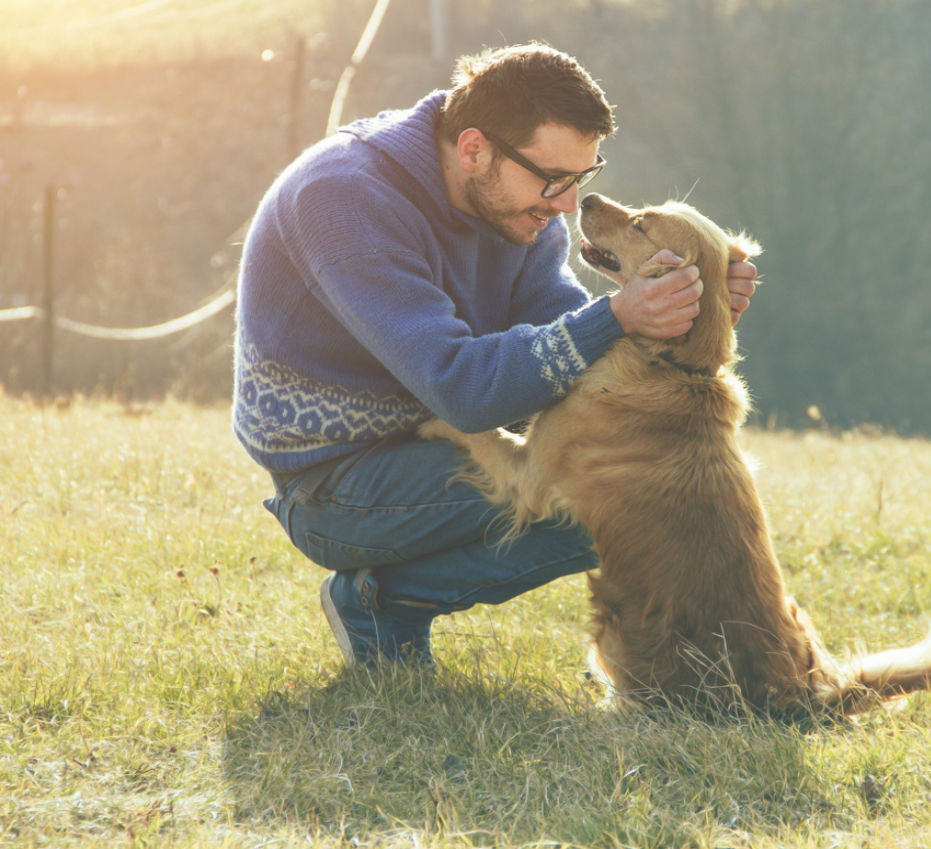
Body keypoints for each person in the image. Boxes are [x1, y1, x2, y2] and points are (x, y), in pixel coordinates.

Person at [232, 43, 758, 668]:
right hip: (333, 485)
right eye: (553, 180)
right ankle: (381, 604)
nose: (567, 204)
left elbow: (555, 333)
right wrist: (617, 316)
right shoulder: (343, 201)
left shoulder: (518, 210)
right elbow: (463, 390)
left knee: (641, 486)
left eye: (580, 179)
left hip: (433, 443)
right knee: (611, 499)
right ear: (475, 149)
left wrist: (681, 315)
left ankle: (385, 602)